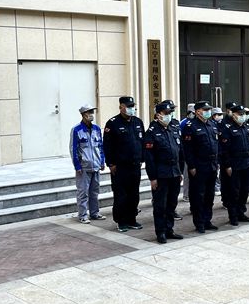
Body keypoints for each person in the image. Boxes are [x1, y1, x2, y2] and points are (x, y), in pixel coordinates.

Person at [144, 102, 185, 244]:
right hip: (161, 174)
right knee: (160, 205)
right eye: (166, 113)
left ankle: (169, 229)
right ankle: (160, 232)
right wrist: (152, 178)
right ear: (158, 115)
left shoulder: (173, 129)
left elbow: (180, 153)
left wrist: (180, 171)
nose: (169, 116)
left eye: (169, 113)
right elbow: (149, 158)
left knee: (172, 203)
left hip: (174, 173)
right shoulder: (151, 132)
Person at [103, 96, 145, 232]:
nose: (131, 109)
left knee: (134, 194)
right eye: (128, 106)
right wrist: (111, 163)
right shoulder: (112, 123)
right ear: (121, 107)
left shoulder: (138, 122)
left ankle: (132, 219)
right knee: (121, 195)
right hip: (120, 167)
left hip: (135, 165)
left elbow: (142, 142)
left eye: (132, 106)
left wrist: (141, 159)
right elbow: (107, 146)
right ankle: (121, 221)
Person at [182, 101, 219, 233]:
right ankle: (199, 223)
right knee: (198, 196)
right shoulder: (190, 126)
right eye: (205, 110)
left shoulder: (212, 124)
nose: (208, 112)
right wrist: (191, 166)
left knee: (209, 195)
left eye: (209, 110)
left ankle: (207, 220)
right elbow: (187, 149)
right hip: (199, 166)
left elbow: (216, 144)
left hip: (212, 165)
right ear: (198, 112)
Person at [70, 104, 106, 224]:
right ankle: (83, 215)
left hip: (95, 165)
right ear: (83, 114)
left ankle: (94, 213)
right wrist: (77, 166)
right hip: (84, 167)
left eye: (92, 112)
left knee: (94, 192)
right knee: (83, 192)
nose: (91, 114)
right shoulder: (76, 130)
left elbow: (100, 146)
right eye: (89, 112)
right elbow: (73, 149)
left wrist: (102, 161)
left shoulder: (96, 129)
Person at [219, 104, 249, 226]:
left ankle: (241, 212)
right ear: (233, 115)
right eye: (240, 114)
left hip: (246, 163)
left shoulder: (246, 127)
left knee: (245, 190)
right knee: (234, 191)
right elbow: (224, 150)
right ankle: (233, 215)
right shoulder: (227, 129)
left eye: (243, 114)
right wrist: (227, 165)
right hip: (234, 164)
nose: (242, 116)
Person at [179, 103, 196, 208]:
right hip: (186, 153)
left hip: (196, 155)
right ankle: (186, 194)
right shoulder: (183, 123)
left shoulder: (196, 123)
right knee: (187, 176)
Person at [212, 107, 224, 196]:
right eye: (219, 115)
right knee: (215, 171)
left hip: (219, 151)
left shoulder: (220, 124)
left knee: (219, 171)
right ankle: (216, 187)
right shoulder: (212, 125)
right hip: (213, 153)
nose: (220, 116)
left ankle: (218, 186)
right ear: (214, 116)